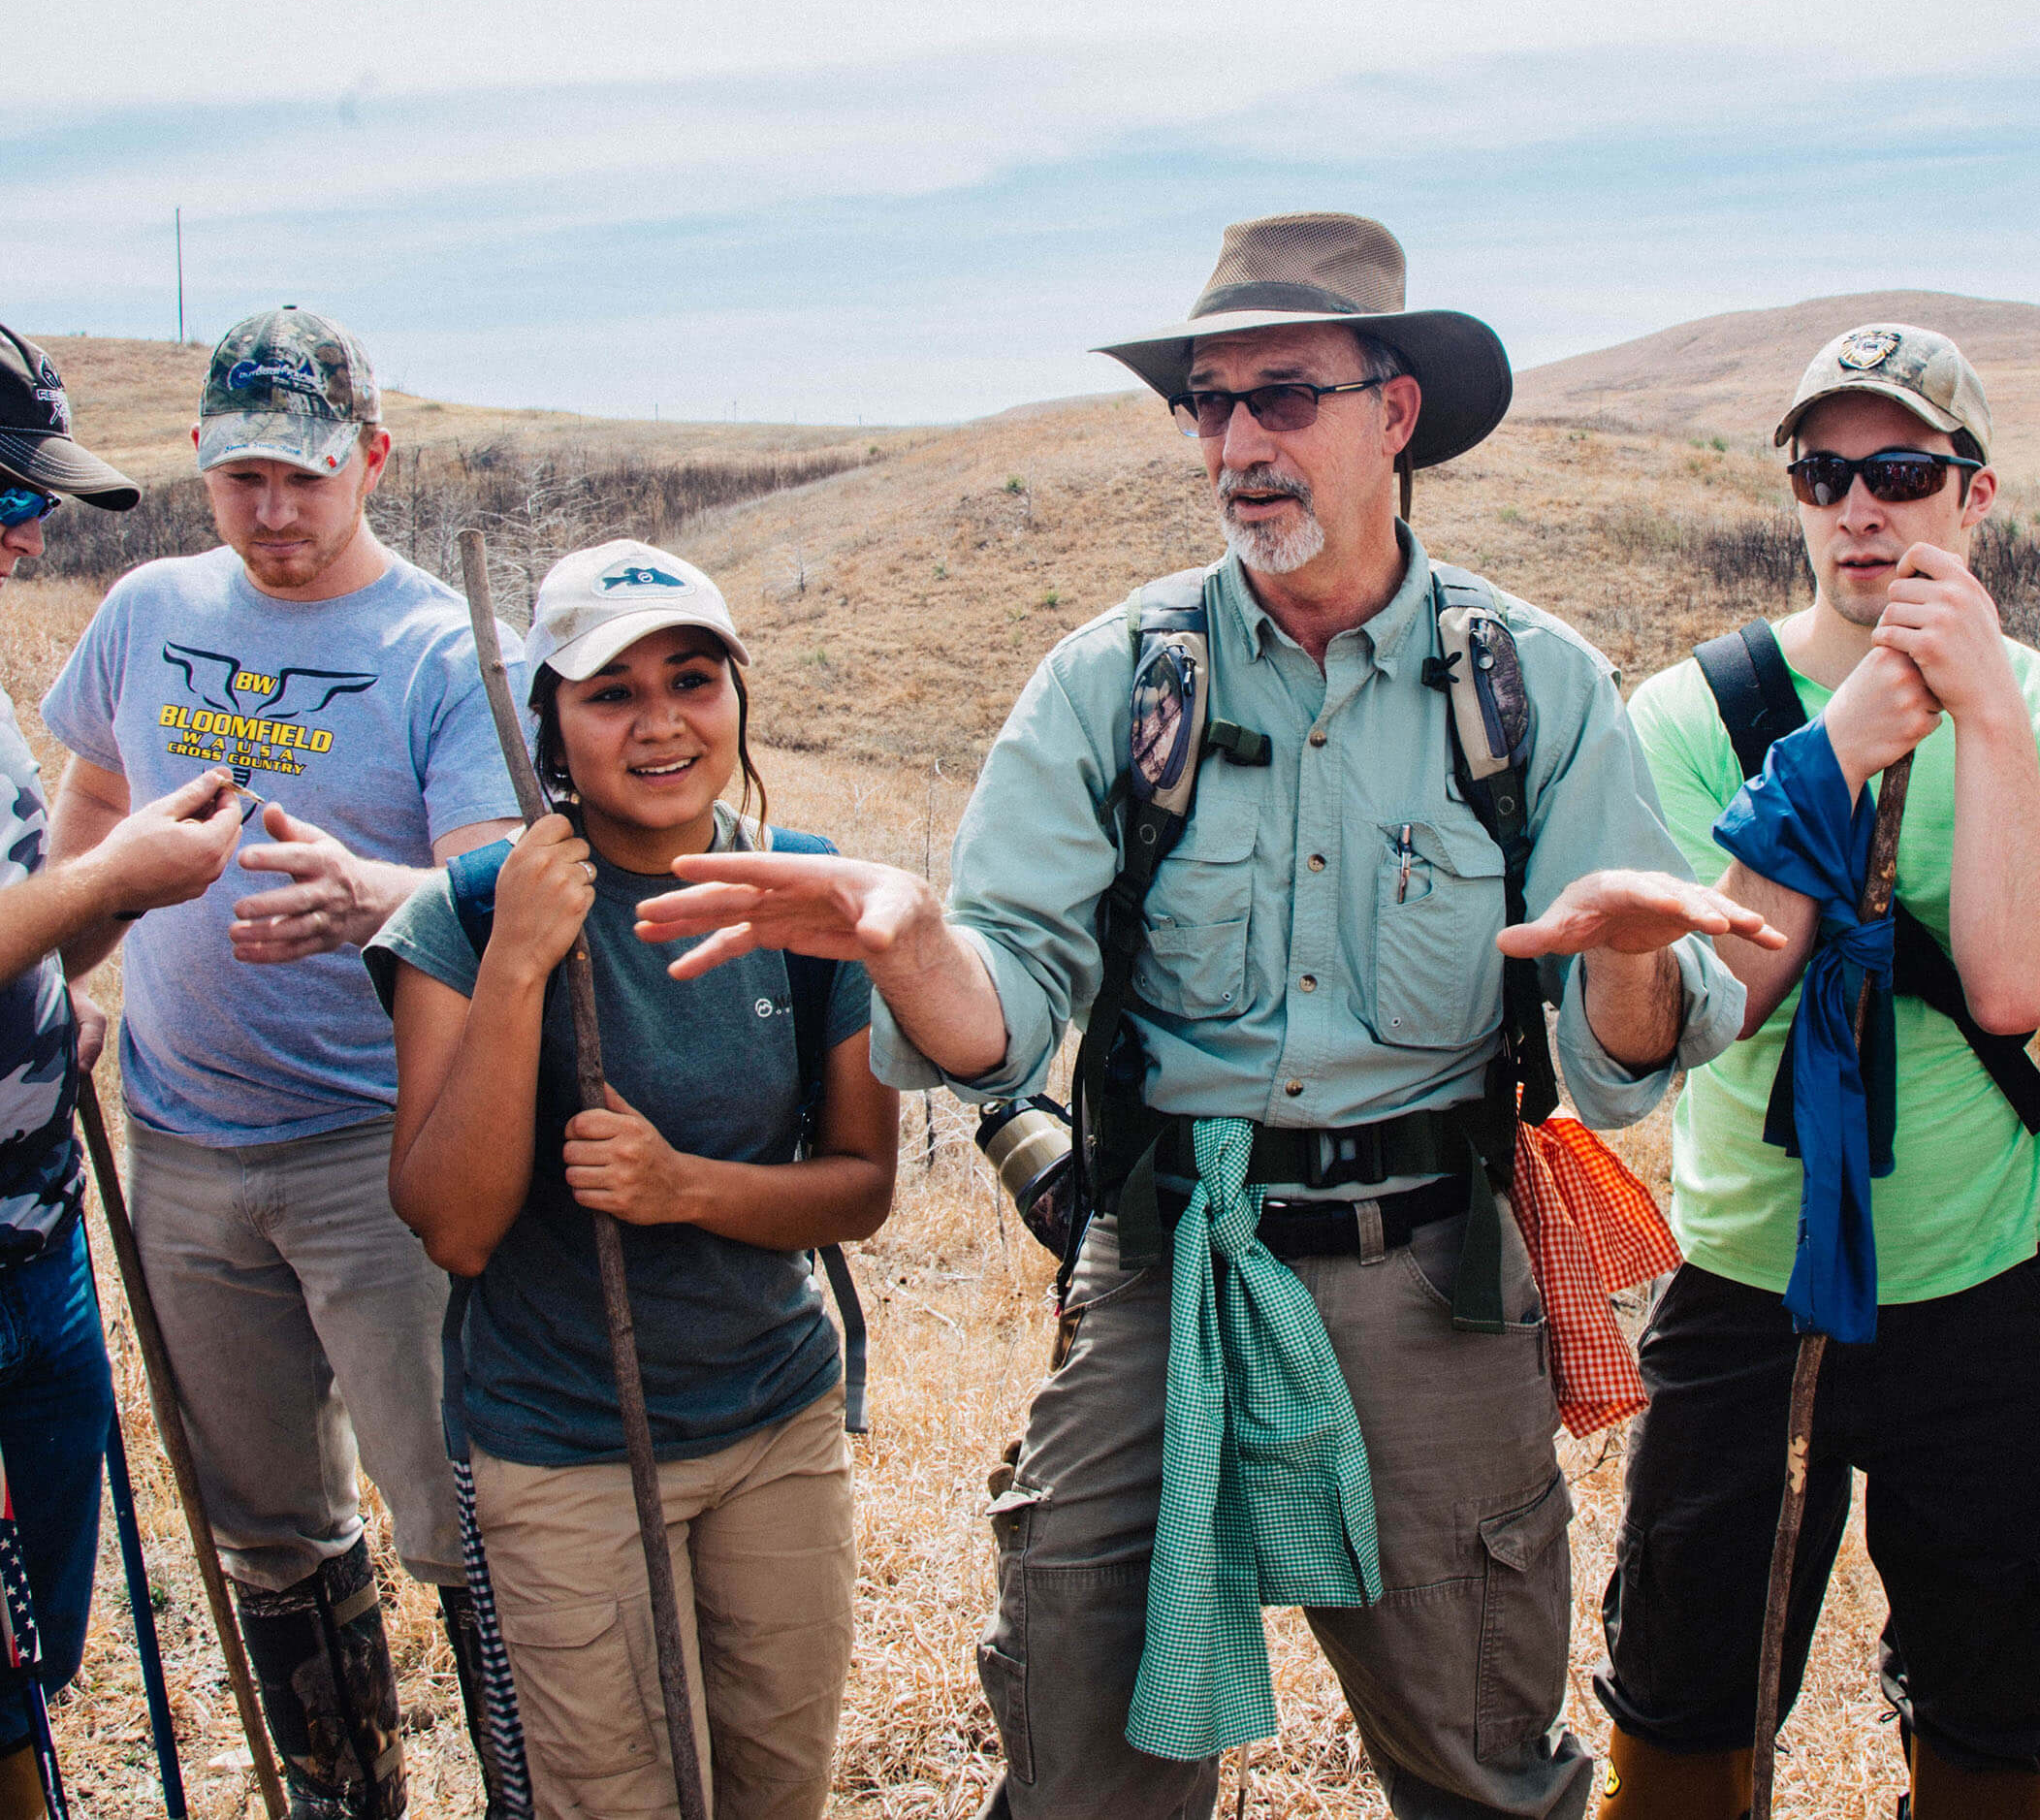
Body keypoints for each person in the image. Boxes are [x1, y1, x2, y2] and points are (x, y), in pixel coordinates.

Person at [633, 210, 1775, 1820]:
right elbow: (1005, 1021)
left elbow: (1627, 1065)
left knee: (1484, 1775)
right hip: (1165, 1259)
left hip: (1432, 1283)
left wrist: (1629, 958)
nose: (1239, 440)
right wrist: (908, 947)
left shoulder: (1530, 686)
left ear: (1396, 412)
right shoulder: (1116, 683)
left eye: (1285, 394)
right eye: (1209, 401)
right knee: (1084, 1755)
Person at [1602, 324, 2040, 1819]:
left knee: (1998, 1683)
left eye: (1903, 471)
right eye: (1824, 473)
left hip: (1982, 1280)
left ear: (1976, 497)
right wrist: (1834, 751)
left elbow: (2016, 984)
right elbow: (1708, 1002)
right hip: (1743, 1272)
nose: (1861, 508)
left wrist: (1983, 715)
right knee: (1685, 1665)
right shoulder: (1695, 716)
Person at [39, 308, 525, 1820]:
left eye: (307, 476)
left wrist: (370, 900)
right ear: (201, 463)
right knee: (264, 1524)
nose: (275, 511)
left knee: (467, 1521)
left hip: (379, 1149)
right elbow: (93, 817)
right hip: (176, 1145)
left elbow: (502, 898)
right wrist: (66, 975)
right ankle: (344, 1792)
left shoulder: (444, 647)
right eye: (245, 474)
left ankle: (528, 1784)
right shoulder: (143, 611)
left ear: (371, 461)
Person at [371, 541, 897, 1820]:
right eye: (610, 693)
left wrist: (685, 1189)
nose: (661, 723)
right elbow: (453, 1225)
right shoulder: (478, 905)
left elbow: (860, 1187)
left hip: (773, 1420)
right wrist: (517, 968)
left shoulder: (807, 889)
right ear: (550, 718)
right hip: (563, 1445)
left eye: (694, 679)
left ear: (737, 696)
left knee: (779, 1790)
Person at [0, 327, 245, 1820]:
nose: (26, 529)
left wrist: (79, 948)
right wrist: (120, 876)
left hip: (41, 1217)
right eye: (2, 495)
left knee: (41, 1648)